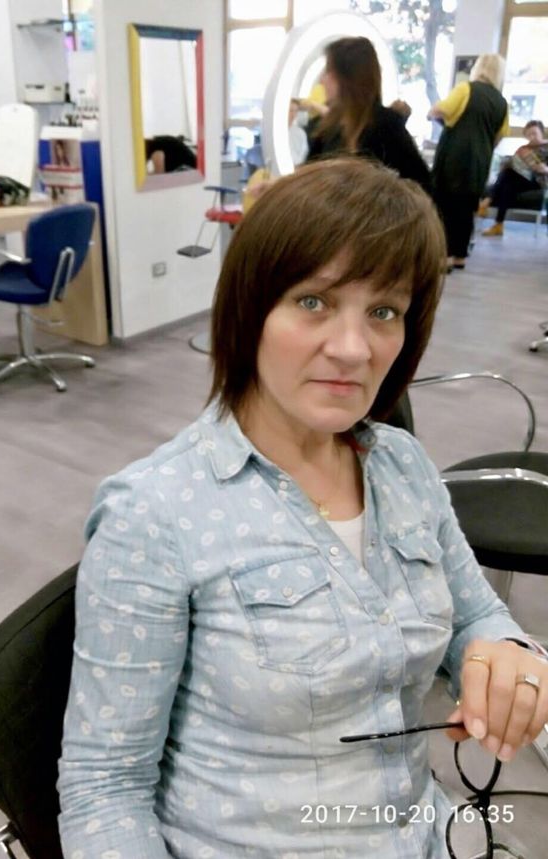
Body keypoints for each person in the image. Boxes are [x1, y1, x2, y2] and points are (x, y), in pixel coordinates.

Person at [58, 158, 548, 858]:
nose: (353, 349)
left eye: (384, 312)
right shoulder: (156, 514)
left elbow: (477, 615)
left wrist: (507, 653)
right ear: (251, 308)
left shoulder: (402, 465)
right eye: (314, 301)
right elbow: (105, 789)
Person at [307, 37, 431, 194]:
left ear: (347, 78)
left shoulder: (386, 127)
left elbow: (420, 185)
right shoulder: (327, 127)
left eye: (328, 72)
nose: (322, 81)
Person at [429, 54, 509, 271]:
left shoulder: (466, 89)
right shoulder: (502, 102)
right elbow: (500, 136)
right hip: (481, 161)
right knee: (466, 207)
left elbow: (439, 110)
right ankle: (460, 256)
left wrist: (436, 117)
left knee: (446, 205)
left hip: (454, 156)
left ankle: (444, 257)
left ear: (478, 68)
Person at [479, 119, 548, 236]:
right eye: (529, 135)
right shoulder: (523, 149)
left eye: (534, 133)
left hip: (538, 181)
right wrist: (509, 165)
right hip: (519, 180)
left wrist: (545, 169)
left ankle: (487, 204)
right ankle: (498, 224)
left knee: (508, 177)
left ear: (541, 132)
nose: (532, 137)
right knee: (508, 178)